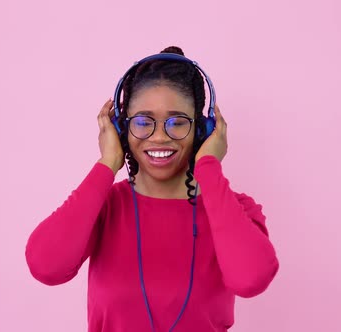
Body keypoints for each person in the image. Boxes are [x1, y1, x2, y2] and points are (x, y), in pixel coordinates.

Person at [25, 46, 279, 332]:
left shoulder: (235, 209)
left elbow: (251, 279)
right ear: (122, 129)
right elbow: (46, 266)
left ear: (202, 130)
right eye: (143, 122)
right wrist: (107, 163)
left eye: (177, 122)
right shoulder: (104, 207)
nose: (159, 136)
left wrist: (208, 165)